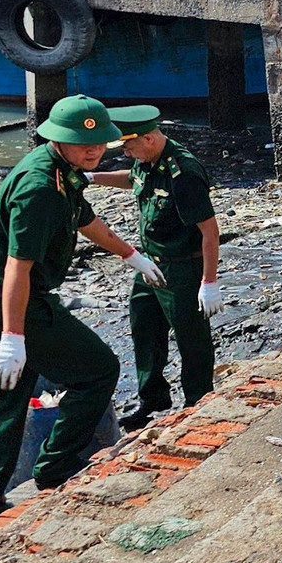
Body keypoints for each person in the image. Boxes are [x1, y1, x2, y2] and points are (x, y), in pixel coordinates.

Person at [0, 96, 170, 510]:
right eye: (82, 144)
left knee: (11, 394)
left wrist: (131, 254)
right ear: (58, 140)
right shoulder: (40, 188)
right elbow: (17, 268)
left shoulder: (66, 171)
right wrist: (12, 335)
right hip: (14, 300)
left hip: (4, 298)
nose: (93, 150)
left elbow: (87, 221)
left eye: (99, 144)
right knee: (97, 371)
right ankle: (55, 467)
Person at [92, 106, 224, 429]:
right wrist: (93, 178)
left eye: (128, 146)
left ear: (148, 139)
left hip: (182, 269)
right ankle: (152, 400)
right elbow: (134, 179)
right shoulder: (146, 159)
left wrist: (209, 281)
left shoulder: (185, 174)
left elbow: (210, 231)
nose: (125, 152)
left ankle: (198, 405)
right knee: (144, 327)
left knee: (192, 341)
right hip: (150, 264)